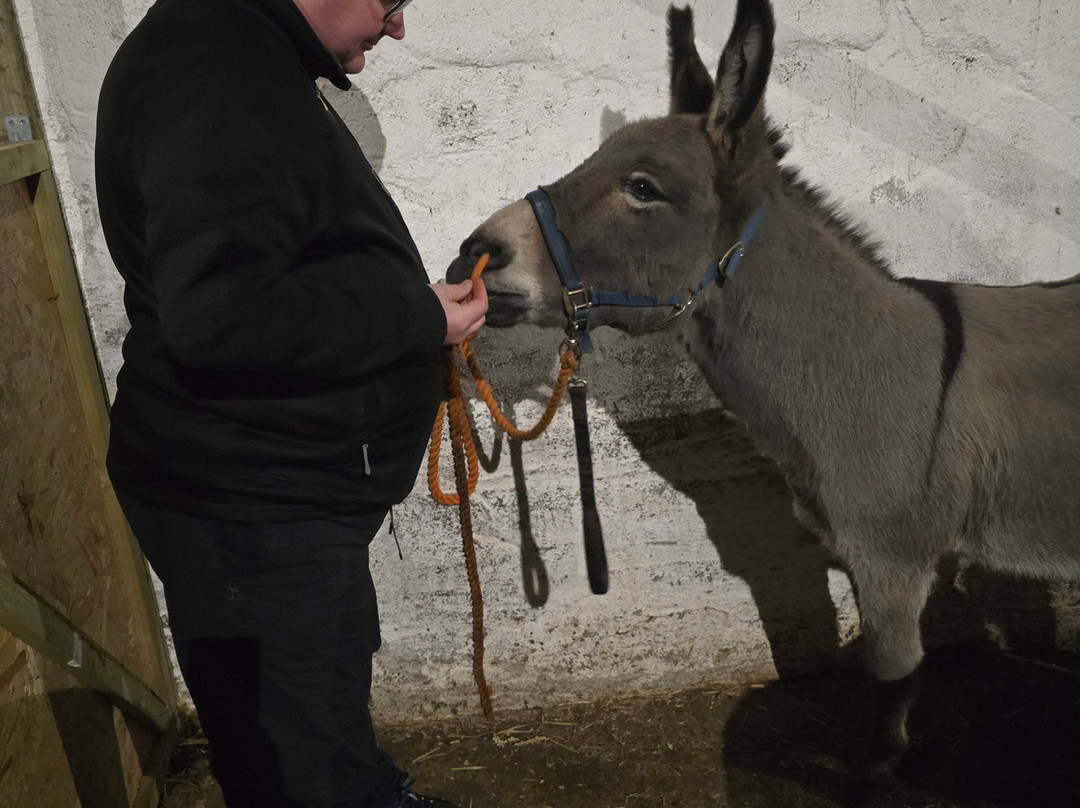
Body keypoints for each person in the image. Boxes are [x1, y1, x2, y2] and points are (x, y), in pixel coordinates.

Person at [95, 0, 487, 805]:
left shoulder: (236, 54)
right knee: (289, 749)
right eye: (392, 1)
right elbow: (226, 318)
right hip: (248, 506)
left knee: (317, 701)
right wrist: (414, 317)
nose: (399, 24)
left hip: (276, 495)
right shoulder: (216, 75)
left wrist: (406, 308)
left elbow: (264, 271)